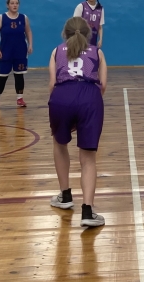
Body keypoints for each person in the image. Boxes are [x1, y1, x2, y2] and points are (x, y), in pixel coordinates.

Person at [48, 17, 108, 227]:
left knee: (59, 144)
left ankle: (65, 195)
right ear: (88, 34)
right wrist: (86, 105)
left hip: (61, 97)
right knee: (88, 158)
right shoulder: (98, 53)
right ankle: (88, 211)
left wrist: (65, 105)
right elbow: (103, 85)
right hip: (89, 97)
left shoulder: (56, 51)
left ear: (64, 33)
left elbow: (52, 84)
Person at [0, 0, 33, 109]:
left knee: (19, 76)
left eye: (16, 3)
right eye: (12, 3)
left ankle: (20, 99)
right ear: (7, 5)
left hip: (20, 52)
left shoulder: (23, 18)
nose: (14, 5)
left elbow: (28, 31)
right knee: (2, 77)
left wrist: (30, 44)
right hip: (6, 53)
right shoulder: (2, 18)